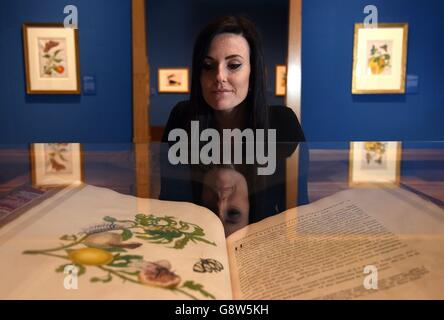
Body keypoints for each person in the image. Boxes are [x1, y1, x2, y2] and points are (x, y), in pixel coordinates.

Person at [159, 15, 305, 236]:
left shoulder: (282, 122)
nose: (219, 76)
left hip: (262, 245)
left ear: (252, 72)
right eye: (208, 66)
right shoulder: (182, 117)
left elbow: (297, 210)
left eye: (234, 65)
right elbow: (170, 204)